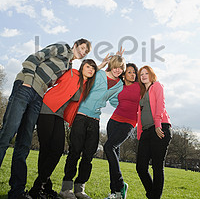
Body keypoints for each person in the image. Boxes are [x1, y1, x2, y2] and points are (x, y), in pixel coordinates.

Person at [0, 38, 91, 199]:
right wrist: (28, 81)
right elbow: (34, 57)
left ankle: (17, 192)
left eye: (86, 52)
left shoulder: (68, 67)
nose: (82, 52)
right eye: (82, 48)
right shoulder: (62, 48)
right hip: (26, 87)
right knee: (7, 134)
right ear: (75, 45)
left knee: (24, 143)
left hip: (39, 96)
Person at [59, 55, 126, 199]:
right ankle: (66, 188)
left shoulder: (119, 84)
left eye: (121, 68)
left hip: (95, 119)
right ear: (111, 65)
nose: (118, 70)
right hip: (81, 115)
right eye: (115, 66)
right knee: (75, 151)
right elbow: (83, 79)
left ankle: (79, 189)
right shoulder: (99, 74)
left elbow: (116, 101)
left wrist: (129, 106)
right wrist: (100, 65)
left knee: (89, 154)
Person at [29, 59, 97, 199]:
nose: (90, 69)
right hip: (46, 109)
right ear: (82, 66)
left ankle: (42, 187)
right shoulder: (72, 73)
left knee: (57, 150)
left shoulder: (86, 85)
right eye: (88, 66)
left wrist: (100, 67)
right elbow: (55, 80)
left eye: (93, 68)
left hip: (59, 114)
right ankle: (39, 188)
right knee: (46, 150)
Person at [104, 63, 140, 199]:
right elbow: (107, 76)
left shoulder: (139, 86)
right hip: (113, 121)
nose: (132, 74)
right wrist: (115, 62)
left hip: (128, 122)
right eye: (129, 72)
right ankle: (115, 193)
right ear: (124, 75)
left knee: (109, 147)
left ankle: (120, 184)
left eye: (134, 72)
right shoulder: (119, 85)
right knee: (113, 155)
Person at [136, 66, 172, 199]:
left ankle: (154, 196)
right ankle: (152, 195)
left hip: (160, 128)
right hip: (146, 132)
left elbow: (160, 104)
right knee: (140, 167)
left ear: (152, 75)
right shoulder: (142, 92)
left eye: (146, 73)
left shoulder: (157, 86)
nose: (144, 76)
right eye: (141, 74)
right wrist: (140, 134)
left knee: (157, 166)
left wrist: (158, 124)